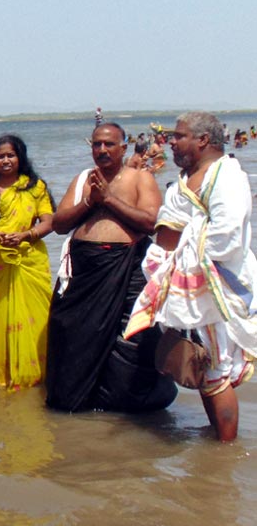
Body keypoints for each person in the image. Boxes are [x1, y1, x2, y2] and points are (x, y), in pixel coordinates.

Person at [126, 112, 257, 441]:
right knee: (200, 364)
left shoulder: (226, 177)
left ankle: (224, 453)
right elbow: (169, 225)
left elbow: (226, 235)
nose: (171, 141)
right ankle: (216, 440)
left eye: (179, 136)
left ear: (202, 140)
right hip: (183, 286)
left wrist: (185, 254)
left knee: (216, 370)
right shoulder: (186, 179)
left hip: (212, 285)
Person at [46, 123, 177, 413]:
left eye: (109, 145)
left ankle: (125, 413)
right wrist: (88, 202)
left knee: (132, 338)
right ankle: (74, 404)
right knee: (67, 333)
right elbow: (59, 224)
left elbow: (150, 223)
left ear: (124, 147)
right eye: (96, 145)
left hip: (125, 269)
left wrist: (108, 199)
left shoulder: (140, 178)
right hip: (83, 271)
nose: (102, 150)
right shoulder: (82, 179)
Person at [0, 134, 54, 388]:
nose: (5, 160)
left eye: (11, 155)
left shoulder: (35, 187)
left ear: (20, 157)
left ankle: (35, 382)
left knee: (37, 324)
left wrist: (26, 235)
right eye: (0, 156)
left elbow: (49, 222)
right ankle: (0, 381)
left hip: (28, 263)